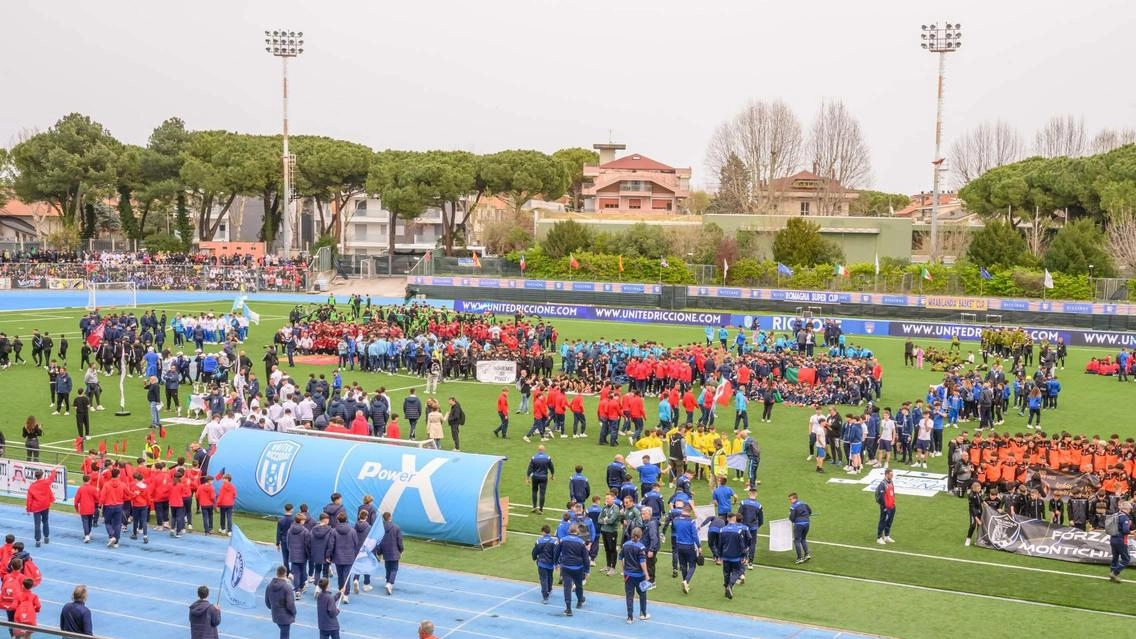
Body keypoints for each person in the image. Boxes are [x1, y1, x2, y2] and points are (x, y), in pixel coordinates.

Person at [619, 526, 651, 623]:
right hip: (639, 576)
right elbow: (642, 562)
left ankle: (630, 617)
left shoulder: (625, 545)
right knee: (642, 595)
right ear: (640, 536)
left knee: (629, 596)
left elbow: (620, 558)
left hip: (628, 575)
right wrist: (646, 574)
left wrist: (623, 570)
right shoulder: (641, 547)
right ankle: (643, 614)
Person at [557, 524, 588, 617]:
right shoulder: (581, 542)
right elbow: (585, 558)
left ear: (569, 531)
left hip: (566, 566)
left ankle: (568, 608)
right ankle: (579, 600)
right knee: (578, 585)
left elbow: (557, 552)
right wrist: (587, 570)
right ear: (577, 531)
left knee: (567, 588)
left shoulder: (563, 540)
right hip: (578, 567)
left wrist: (556, 563)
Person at [717, 513, 749, 599]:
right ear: (735, 519)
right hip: (736, 557)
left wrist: (719, 555)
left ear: (727, 519)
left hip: (725, 556)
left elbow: (719, 544)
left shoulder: (722, 530)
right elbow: (742, 545)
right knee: (736, 572)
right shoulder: (738, 531)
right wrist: (744, 556)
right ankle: (730, 586)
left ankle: (726, 591)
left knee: (726, 573)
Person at [672, 505, 701, 594]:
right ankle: (686, 581)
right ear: (690, 512)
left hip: (679, 545)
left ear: (682, 510)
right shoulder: (691, 522)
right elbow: (694, 535)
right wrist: (699, 546)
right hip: (689, 546)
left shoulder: (676, 520)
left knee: (683, 565)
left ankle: (685, 582)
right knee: (692, 565)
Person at [25, 468, 56, 547]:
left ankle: (38, 541)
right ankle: (46, 537)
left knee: (37, 524)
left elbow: (29, 499)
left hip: (36, 507)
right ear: (42, 476)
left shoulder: (32, 486)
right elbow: (52, 478)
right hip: (45, 505)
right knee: (45, 521)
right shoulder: (45, 482)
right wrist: (54, 470)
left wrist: (28, 509)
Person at [265, 565, 296, 639]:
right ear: (285, 574)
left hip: (275, 614)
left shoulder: (269, 586)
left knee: (283, 633)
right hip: (285, 616)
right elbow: (290, 604)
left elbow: (267, 602)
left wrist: (274, 607)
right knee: (285, 635)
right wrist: (294, 612)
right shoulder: (287, 587)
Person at [377, 511, 404, 595]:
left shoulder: (380, 528)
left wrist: (379, 552)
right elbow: (399, 540)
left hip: (385, 550)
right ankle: (390, 583)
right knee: (394, 568)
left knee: (388, 567)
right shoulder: (396, 528)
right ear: (390, 517)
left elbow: (379, 541)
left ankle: (388, 581)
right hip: (394, 550)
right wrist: (401, 550)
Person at [531, 524, 559, 604]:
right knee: (550, 577)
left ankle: (545, 596)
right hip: (550, 564)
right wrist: (556, 563)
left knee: (543, 579)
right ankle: (549, 589)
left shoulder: (539, 541)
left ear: (543, 532)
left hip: (542, 563)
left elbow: (535, 551)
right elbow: (556, 553)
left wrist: (534, 558)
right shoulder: (555, 541)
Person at [1108, 501, 1133, 583]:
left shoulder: (1115, 514)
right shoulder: (1125, 517)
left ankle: (1112, 574)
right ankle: (1114, 573)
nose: (1130, 510)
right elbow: (1125, 530)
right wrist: (1131, 532)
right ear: (1126, 509)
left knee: (1115, 557)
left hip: (1112, 538)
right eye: (1130, 509)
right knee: (1126, 559)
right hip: (1120, 540)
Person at [526, 445, 554, 514]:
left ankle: (534, 507)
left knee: (534, 491)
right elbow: (551, 467)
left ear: (538, 450)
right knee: (542, 493)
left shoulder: (534, 458)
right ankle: (541, 509)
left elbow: (530, 469)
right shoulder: (547, 457)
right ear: (544, 450)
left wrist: (527, 478)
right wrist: (552, 475)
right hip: (543, 477)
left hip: (535, 477)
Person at [789, 493, 812, 564]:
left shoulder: (793, 506)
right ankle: (807, 554)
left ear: (794, 498)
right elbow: (810, 511)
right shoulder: (804, 503)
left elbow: (792, 518)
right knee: (803, 539)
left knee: (797, 541)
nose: (789, 501)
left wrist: (793, 520)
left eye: (790, 499)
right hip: (807, 523)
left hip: (799, 524)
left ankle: (799, 558)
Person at [875, 468, 897, 544]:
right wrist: (884, 506)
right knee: (883, 521)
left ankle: (886, 536)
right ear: (886, 474)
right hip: (885, 507)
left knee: (889, 522)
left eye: (892, 475)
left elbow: (893, 493)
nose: (892, 476)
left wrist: (893, 503)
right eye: (891, 475)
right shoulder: (882, 485)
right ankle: (879, 537)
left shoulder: (891, 482)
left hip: (892, 506)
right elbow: (880, 497)